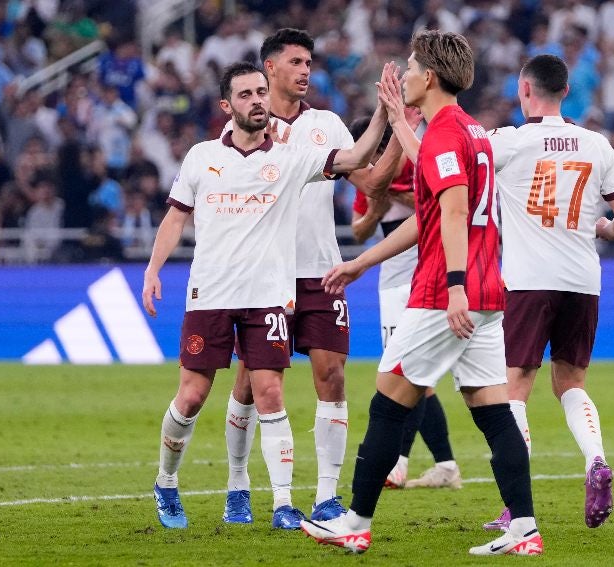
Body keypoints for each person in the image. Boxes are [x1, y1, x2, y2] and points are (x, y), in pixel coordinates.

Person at [301, 30, 541, 556]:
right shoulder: (469, 131)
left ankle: (356, 522)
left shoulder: (448, 135)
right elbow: (429, 209)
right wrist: (361, 262)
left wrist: (453, 287)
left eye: (410, 68)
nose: (404, 76)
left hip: (445, 292)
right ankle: (524, 528)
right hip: (485, 290)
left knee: (388, 401)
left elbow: (451, 212)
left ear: (429, 77)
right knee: (490, 407)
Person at [142, 61, 391, 530]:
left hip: (266, 298)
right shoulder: (200, 157)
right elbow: (176, 217)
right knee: (192, 395)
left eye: (261, 92)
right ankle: (166, 482)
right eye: (246, 95)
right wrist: (153, 270)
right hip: (211, 293)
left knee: (270, 391)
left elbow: (356, 158)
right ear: (227, 105)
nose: (257, 101)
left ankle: (281, 503)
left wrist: (383, 109)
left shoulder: (291, 160)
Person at [221, 29, 403, 527]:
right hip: (264, 276)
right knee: (251, 386)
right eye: (296, 62)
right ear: (270, 69)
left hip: (322, 272)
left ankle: (326, 496)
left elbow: (372, 182)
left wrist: (395, 122)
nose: (306, 70)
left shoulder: (327, 124)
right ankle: (238, 485)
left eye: (310, 62)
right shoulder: (243, 132)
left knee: (333, 376)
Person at [483, 54, 614, 532]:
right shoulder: (597, 144)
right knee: (571, 384)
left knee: (514, 389)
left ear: (523, 89)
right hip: (582, 279)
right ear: (566, 91)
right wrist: (605, 232)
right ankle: (596, 460)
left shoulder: (508, 142)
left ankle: (516, 504)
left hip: (529, 281)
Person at [349, 115, 461, 491]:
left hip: (420, 266)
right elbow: (359, 229)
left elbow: (433, 202)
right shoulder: (369, 180)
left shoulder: (416, 161)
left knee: (407, 369)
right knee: (418, 378)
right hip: (389, 272)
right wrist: (376, 205)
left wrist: (389, 193)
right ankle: (445, 465)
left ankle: (398, 460)